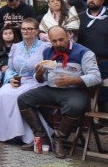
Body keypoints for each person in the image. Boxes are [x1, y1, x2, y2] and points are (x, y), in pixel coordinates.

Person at [17, 25, 102, 157]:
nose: (58, 43)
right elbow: (42, 78)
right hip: (52, 89)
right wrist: (39, 75)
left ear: (68, 36)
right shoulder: (48, 52)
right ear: (49, 40)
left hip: (75, 90)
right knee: (23, 99)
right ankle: (42, 137)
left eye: (61, 39)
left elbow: (96, 77)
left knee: (75, 105)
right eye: (54, 41)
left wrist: (72, 80)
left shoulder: (84, 52)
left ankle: (59, 140)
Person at [0, 18, 49, 145]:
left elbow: (49, 69)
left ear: (36, 31)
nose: (26, 31)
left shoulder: (45, 47)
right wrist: (10, 79)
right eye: (23, 28)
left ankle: (21, 134)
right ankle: (2, 132)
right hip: (18, 80)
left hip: (36, 81)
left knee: (17, 96)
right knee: (2, 94)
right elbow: (11, 68)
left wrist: (41, 74)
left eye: (30, 28)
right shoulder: (16, 47)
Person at [77, 0, 108, 111]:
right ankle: (88, 121)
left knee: (104, 93)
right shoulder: (80, 17)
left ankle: (102, 120)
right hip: (85, 61)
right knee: (85, 90)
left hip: (105, 62)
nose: (91, 0)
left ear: (102, 1)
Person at [0, 25, 20, 99]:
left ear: (14, 35)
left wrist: (11, 67)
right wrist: (0, 66)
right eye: (5, 34)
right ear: (1, 35)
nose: (8, 35)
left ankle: (8, 99)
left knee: (12, 78)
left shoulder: (19, 46)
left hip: (13, 69)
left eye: (10, 33)